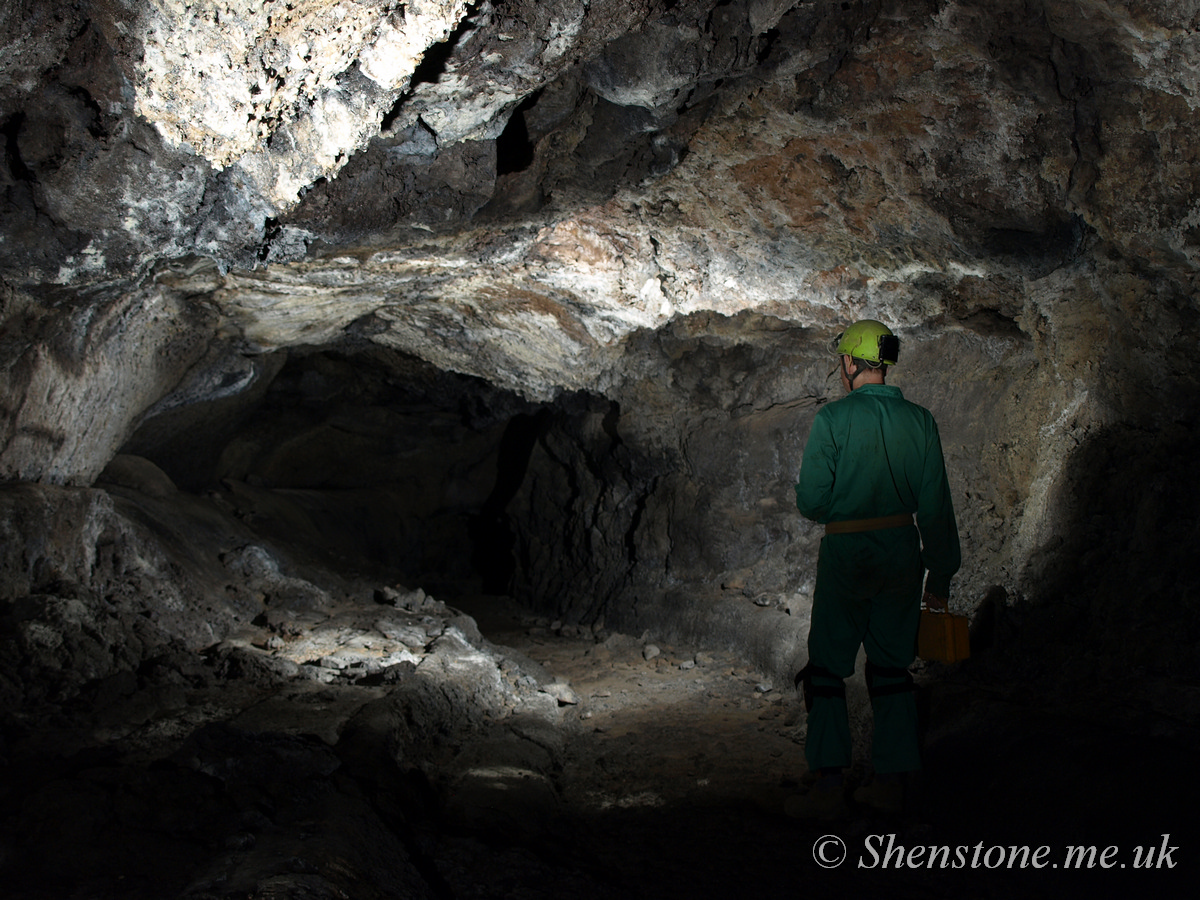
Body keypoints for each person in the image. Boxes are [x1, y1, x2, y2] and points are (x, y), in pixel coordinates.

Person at [788, 319, 960, 818]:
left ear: (848, 364)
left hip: (846, 553)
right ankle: (889, 786)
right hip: (902, 554)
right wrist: (941, 577)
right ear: (882, 364)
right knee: (890, 669)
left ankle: (826, 788)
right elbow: (936, 508)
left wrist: (841, 503)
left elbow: (813, 502)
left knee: (825, 668)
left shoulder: (833, 421)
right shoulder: (921, 420)